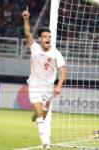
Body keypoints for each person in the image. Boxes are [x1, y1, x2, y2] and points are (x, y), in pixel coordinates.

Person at [22, 6, 66, 150]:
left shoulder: (56, 53)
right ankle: (45, 143)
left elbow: (63, 71)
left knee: (43, 116)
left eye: (49, 37)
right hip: (34, 84)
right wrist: (26, 19)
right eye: (45, 36)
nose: (48, 39)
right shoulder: (34, 47)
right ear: (40, 39)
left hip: (49, 88)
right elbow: (28, 33)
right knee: (41, 113)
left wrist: (58, 86)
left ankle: (36, 113)